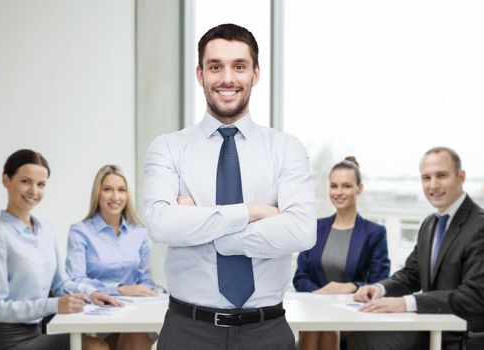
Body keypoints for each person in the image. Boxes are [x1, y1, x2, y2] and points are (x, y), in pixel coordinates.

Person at [143, 23, 316, 349]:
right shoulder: (168, 148)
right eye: (215, 67)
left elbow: (301, 231)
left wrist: (208, 228)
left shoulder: (286, 149)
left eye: (239, 66)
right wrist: (252, 212)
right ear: (200, 74)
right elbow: (161, 224)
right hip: (187, 331)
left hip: (266, 331)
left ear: (256, 73)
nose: (227, 79)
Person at [0, 149, 119, 350]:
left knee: (110, 343)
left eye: (41, 184)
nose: (34, 191)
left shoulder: (46, 230)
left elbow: (62, 283)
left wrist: (91, 293)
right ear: (6, 180)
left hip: (37, 332)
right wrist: (54, 305)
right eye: (25, 181)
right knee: (96, 348)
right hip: (4, 340)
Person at [349, 146, 484, 350]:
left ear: (461, 176)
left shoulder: (479, 226)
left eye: (441, 175)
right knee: (357, 335)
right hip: (432, 329)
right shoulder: (430, 224)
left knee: (370, 340)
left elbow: (474, 296)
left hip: (463, 339)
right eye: (426, 178)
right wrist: (379, 288)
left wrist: (406, 303)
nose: (433, 185)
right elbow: (412, 274)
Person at [293, 157, 390, 350]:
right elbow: (300, 277)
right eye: (334, 186)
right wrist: (321, 296)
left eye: (346, 186)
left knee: (326, 325)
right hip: (316, 310)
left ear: (359, 188)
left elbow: (381, 281)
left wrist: (351, 286)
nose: (338, 192)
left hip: (352, 313)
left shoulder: (374, 233)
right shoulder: (316, 228)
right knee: (318, 324)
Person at [66, 165, 156, 350]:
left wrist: (144, 291)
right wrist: (120, 289)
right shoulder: (80, 231)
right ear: (97, 193)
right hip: (92, 315)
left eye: (121, 190)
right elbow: (75, 280)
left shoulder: (139, 233)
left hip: (131, 314)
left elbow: (145, 279)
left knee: (137, 336)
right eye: (107, 189)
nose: (116, 197)